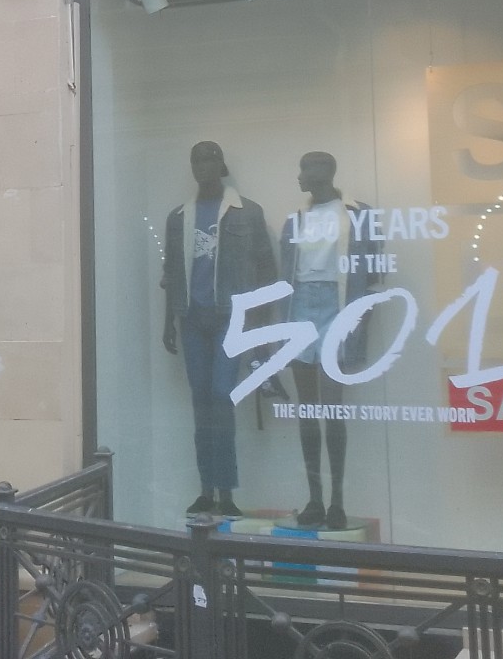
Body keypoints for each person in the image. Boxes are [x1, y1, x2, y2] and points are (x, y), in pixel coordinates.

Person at [161, 141, 276, 518]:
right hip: (192, 317)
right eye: (196, 160)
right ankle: (206, 491)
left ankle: (226, 492)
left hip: (231, 316)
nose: (202, 166)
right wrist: (168, 321)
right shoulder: (179, 217)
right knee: (201, 400)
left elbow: (266, 268)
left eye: (209, 159)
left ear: (221, 164)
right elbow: (171, 273)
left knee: (221, 395)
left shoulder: (248, 212)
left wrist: (261, 324)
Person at [278, 152, 380, 529]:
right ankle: (315, 499)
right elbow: (286, 272)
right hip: (301, 304)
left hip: (337, 304)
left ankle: (337, 500)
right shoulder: (295, 218)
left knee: (332, 407)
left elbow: (374, 274)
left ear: (323, 172)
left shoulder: (359, 213)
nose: (300, 176)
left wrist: (360, 316)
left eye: (305, 169)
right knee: (307, 409)